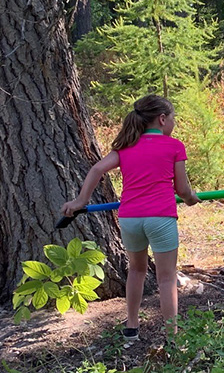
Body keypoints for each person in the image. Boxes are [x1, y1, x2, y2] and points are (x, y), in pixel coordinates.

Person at [62, 95, 200, 345]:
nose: (173, 124)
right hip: (161, 218)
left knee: (136, 271)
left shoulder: (125, 147)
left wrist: (80, 201)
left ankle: (132, 326)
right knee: (167, 277)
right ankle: (172, 337)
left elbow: (96, 169)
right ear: (161, 119)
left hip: (130, 219)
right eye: (172, 119)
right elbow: (183, 189)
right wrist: (191, 198)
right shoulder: (174, 146)